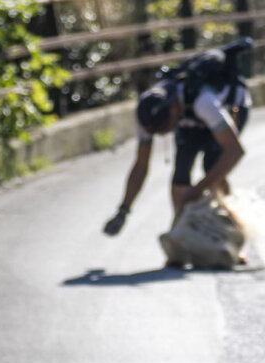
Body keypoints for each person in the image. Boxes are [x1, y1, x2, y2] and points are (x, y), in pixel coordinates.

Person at [103, 38, 252, 236]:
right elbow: (141, 164)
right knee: (181, 172)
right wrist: (124, 210)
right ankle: (181, 234)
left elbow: (234, 151)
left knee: (213, 166)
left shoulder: (204, 102)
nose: (163, 133)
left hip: (231, 108)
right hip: (191, 119)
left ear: (174, 109)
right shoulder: (147, 111)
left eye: (165, 128)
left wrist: (197, 191)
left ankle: (233, 233)